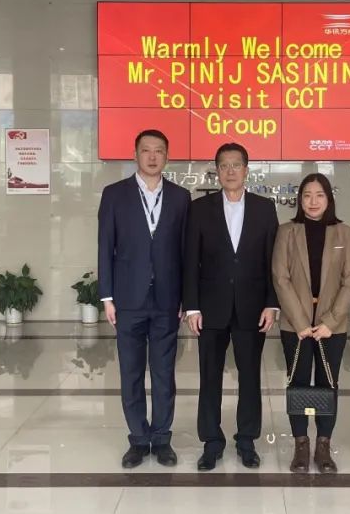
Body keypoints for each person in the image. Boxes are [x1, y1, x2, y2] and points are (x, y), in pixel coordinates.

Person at [98, 129, 191, 469]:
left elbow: (186, 252)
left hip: (167, 300)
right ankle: (138, 439)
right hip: (128, 299)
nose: (153, 156)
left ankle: (162, 438)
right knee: (131, 372)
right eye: (146, 150)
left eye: (159, 151)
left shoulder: (181, 197)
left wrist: (186, 297)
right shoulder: (114, 194)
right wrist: (107, 297)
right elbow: (105, 246)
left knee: (164, 374)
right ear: (135, 154)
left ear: (167, 156)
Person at [184, 143, 279, 471]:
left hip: (252, 307)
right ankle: (211, 441)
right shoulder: (200, 208)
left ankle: (247, 440)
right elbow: (190, 260)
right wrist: (192, 307)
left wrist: (271, 304)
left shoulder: (265, 208)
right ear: (217, 171)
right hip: (210, 307)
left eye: (236, 165)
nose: (230, 171)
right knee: (209, 377)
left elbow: (273, 260)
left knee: (250, 376)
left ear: (246, 170)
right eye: (224, 166)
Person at [272, 173, 350, 473]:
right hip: (295, 326)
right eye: (307, 195)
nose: (312, 201)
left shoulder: (343, 232)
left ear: (329, 199)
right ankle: (300, 444)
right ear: (299, 200)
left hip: (332, 326)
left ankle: (323, 445)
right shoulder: (287, 231)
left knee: (328, 383)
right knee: (297, 382)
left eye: (319, 195)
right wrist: (300, 322)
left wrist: (330, 322)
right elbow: (280, 278)